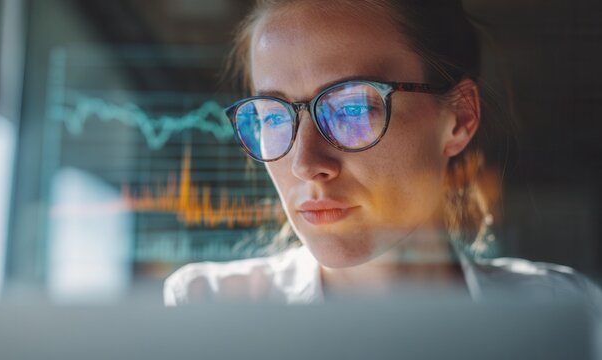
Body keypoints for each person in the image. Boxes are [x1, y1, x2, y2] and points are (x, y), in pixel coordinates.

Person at [163, 0, 602, 312]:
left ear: (460, 118)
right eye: (274, 117)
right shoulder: (205, 311)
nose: (304, 163)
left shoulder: (560, 311)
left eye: (352, 107)